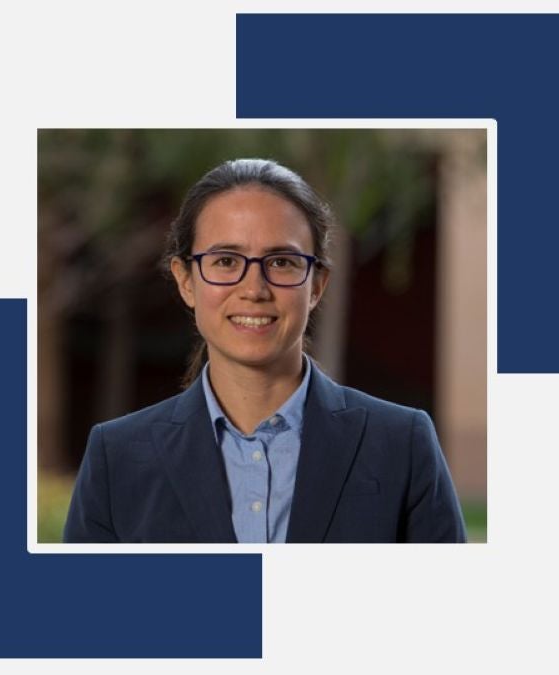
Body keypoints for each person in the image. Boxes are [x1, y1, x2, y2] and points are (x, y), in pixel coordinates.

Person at [63, 158, 465, 543]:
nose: (254, 289)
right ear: (186, 281)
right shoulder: (116, 460)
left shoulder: (402, 444)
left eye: (282, 262)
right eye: (225, 260)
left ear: (317, 284)